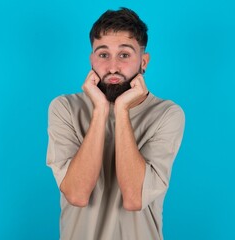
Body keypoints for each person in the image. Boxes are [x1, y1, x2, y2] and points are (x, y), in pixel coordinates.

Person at [46, 7, 185, 240]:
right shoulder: (64, 108)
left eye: (124, 55)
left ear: (144, 62)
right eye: (103, 55)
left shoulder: (167, 114)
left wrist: (121, 109)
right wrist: (101, 108)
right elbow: (77, 195)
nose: (112, 67)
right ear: (91, 59)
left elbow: (134, 198)